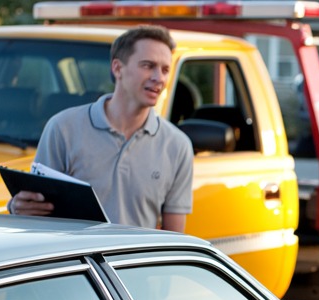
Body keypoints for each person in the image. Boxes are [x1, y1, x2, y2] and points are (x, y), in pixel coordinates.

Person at [10, 25, 193, 231]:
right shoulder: (62, 128)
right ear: (117, 68)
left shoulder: (177, 146)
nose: (158, 77)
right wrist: (18, 207)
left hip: (136, 263)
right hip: (74, 262)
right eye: (148, 65)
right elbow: (34, 214)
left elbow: (174, 239)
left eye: (165, 69)